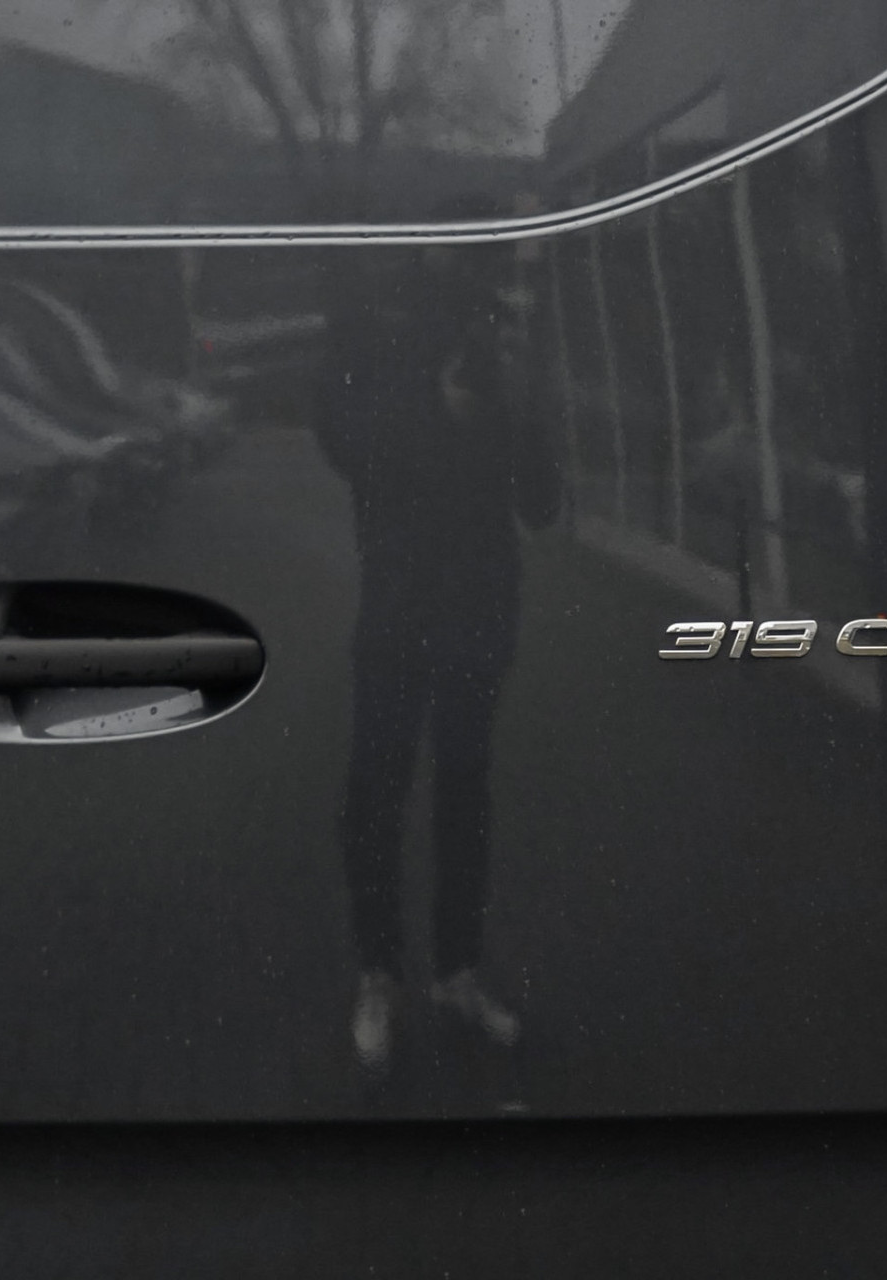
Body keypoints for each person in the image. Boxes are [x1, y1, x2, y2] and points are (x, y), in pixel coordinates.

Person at [325, 234, 559, 1074]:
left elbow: (542, 507)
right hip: (399, 605)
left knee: (465, 795)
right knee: (375, 793)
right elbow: (344, 443)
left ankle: (457, 972)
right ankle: (379, 973)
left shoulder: (498, 346)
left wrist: (523, 409)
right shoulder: (367, 330)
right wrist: (438, 408)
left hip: (479, 610)